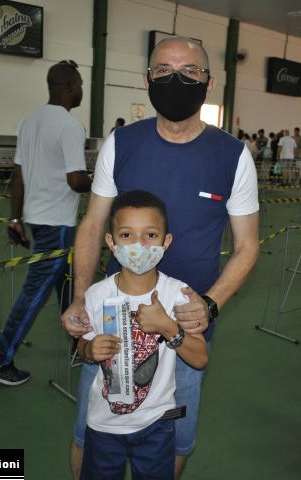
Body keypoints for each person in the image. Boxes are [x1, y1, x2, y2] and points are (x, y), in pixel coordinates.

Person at [61, 36, 260, 479]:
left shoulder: (233, 156)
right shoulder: (122, 143)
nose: (176, 79)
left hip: (186, 325)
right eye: (164, 70)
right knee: (90, 432)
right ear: (148, 79)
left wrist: (208, 306)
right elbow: (92, 225)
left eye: (190, 71)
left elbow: (248, 246)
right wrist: (79, 298)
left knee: (176, 435)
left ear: (209, 83)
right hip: (113, 318)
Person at [0, 60, 91, 386]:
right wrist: (101, 183)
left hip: (38, 220)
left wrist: (15, 218)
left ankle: (80, 343)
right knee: (34, 293)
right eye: (80, 85)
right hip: (58, 226)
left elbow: (18, 176)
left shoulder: (29, 122)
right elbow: (75, 180)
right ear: (70, 86)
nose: (81, 91)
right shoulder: (70, 126)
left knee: (69, 286)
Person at [79, 190, 208, 480]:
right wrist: (90, 350)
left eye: (150, 235)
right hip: (103, 425)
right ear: (111, 242)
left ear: (166, 241)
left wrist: (168, 327)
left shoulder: (178, 294)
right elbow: (82, 346)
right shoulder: (96, 294)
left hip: (157, 424)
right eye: (126, 235)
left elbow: (200, 359)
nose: (139, 245)